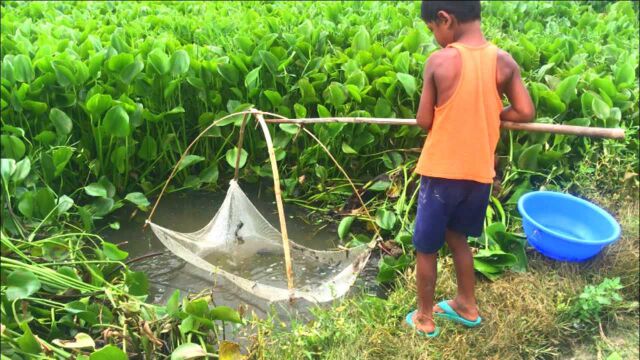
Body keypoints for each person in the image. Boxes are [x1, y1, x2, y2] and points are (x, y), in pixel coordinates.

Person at [405, 1, 535, 337]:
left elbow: (424, 120)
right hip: (479, 176)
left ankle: (424, 316)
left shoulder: (440, 60)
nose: (435, 37)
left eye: (433, 29)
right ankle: (466, 304)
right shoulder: (503, 61)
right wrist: (491, 112)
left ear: (445, 19)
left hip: (440, 174)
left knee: (426, 246)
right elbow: (524, 111)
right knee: (458, 238)